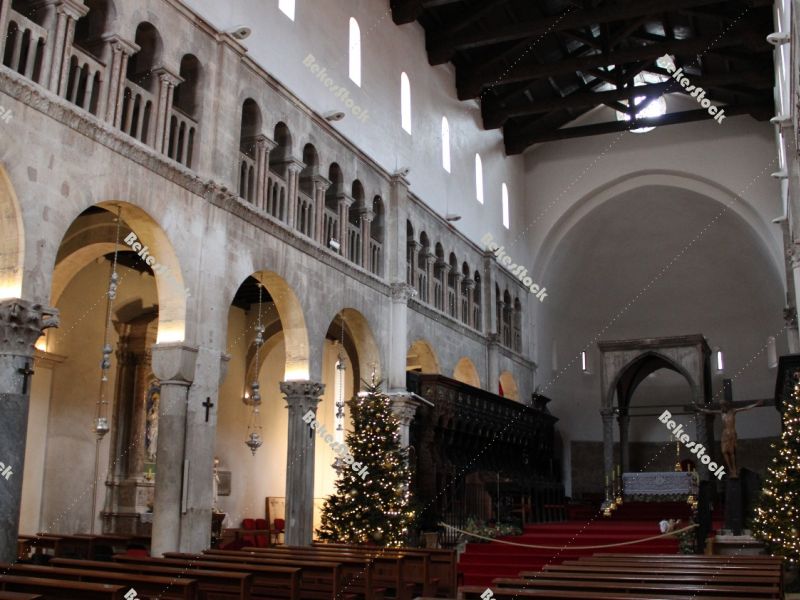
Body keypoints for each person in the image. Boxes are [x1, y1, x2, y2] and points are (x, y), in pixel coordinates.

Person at [694, 397, 763, 478]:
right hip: (725, 434)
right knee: (724, 451)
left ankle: (734, 470)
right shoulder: (721, 413)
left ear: (726, 406)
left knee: (731, 452)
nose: (722, 408)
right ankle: (731, 469)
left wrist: (756, 405)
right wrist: (699, 409)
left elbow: (745, 408)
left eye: (723, 406)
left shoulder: (733, 411)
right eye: (721, 406)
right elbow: (709, 411)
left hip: (732, 433)